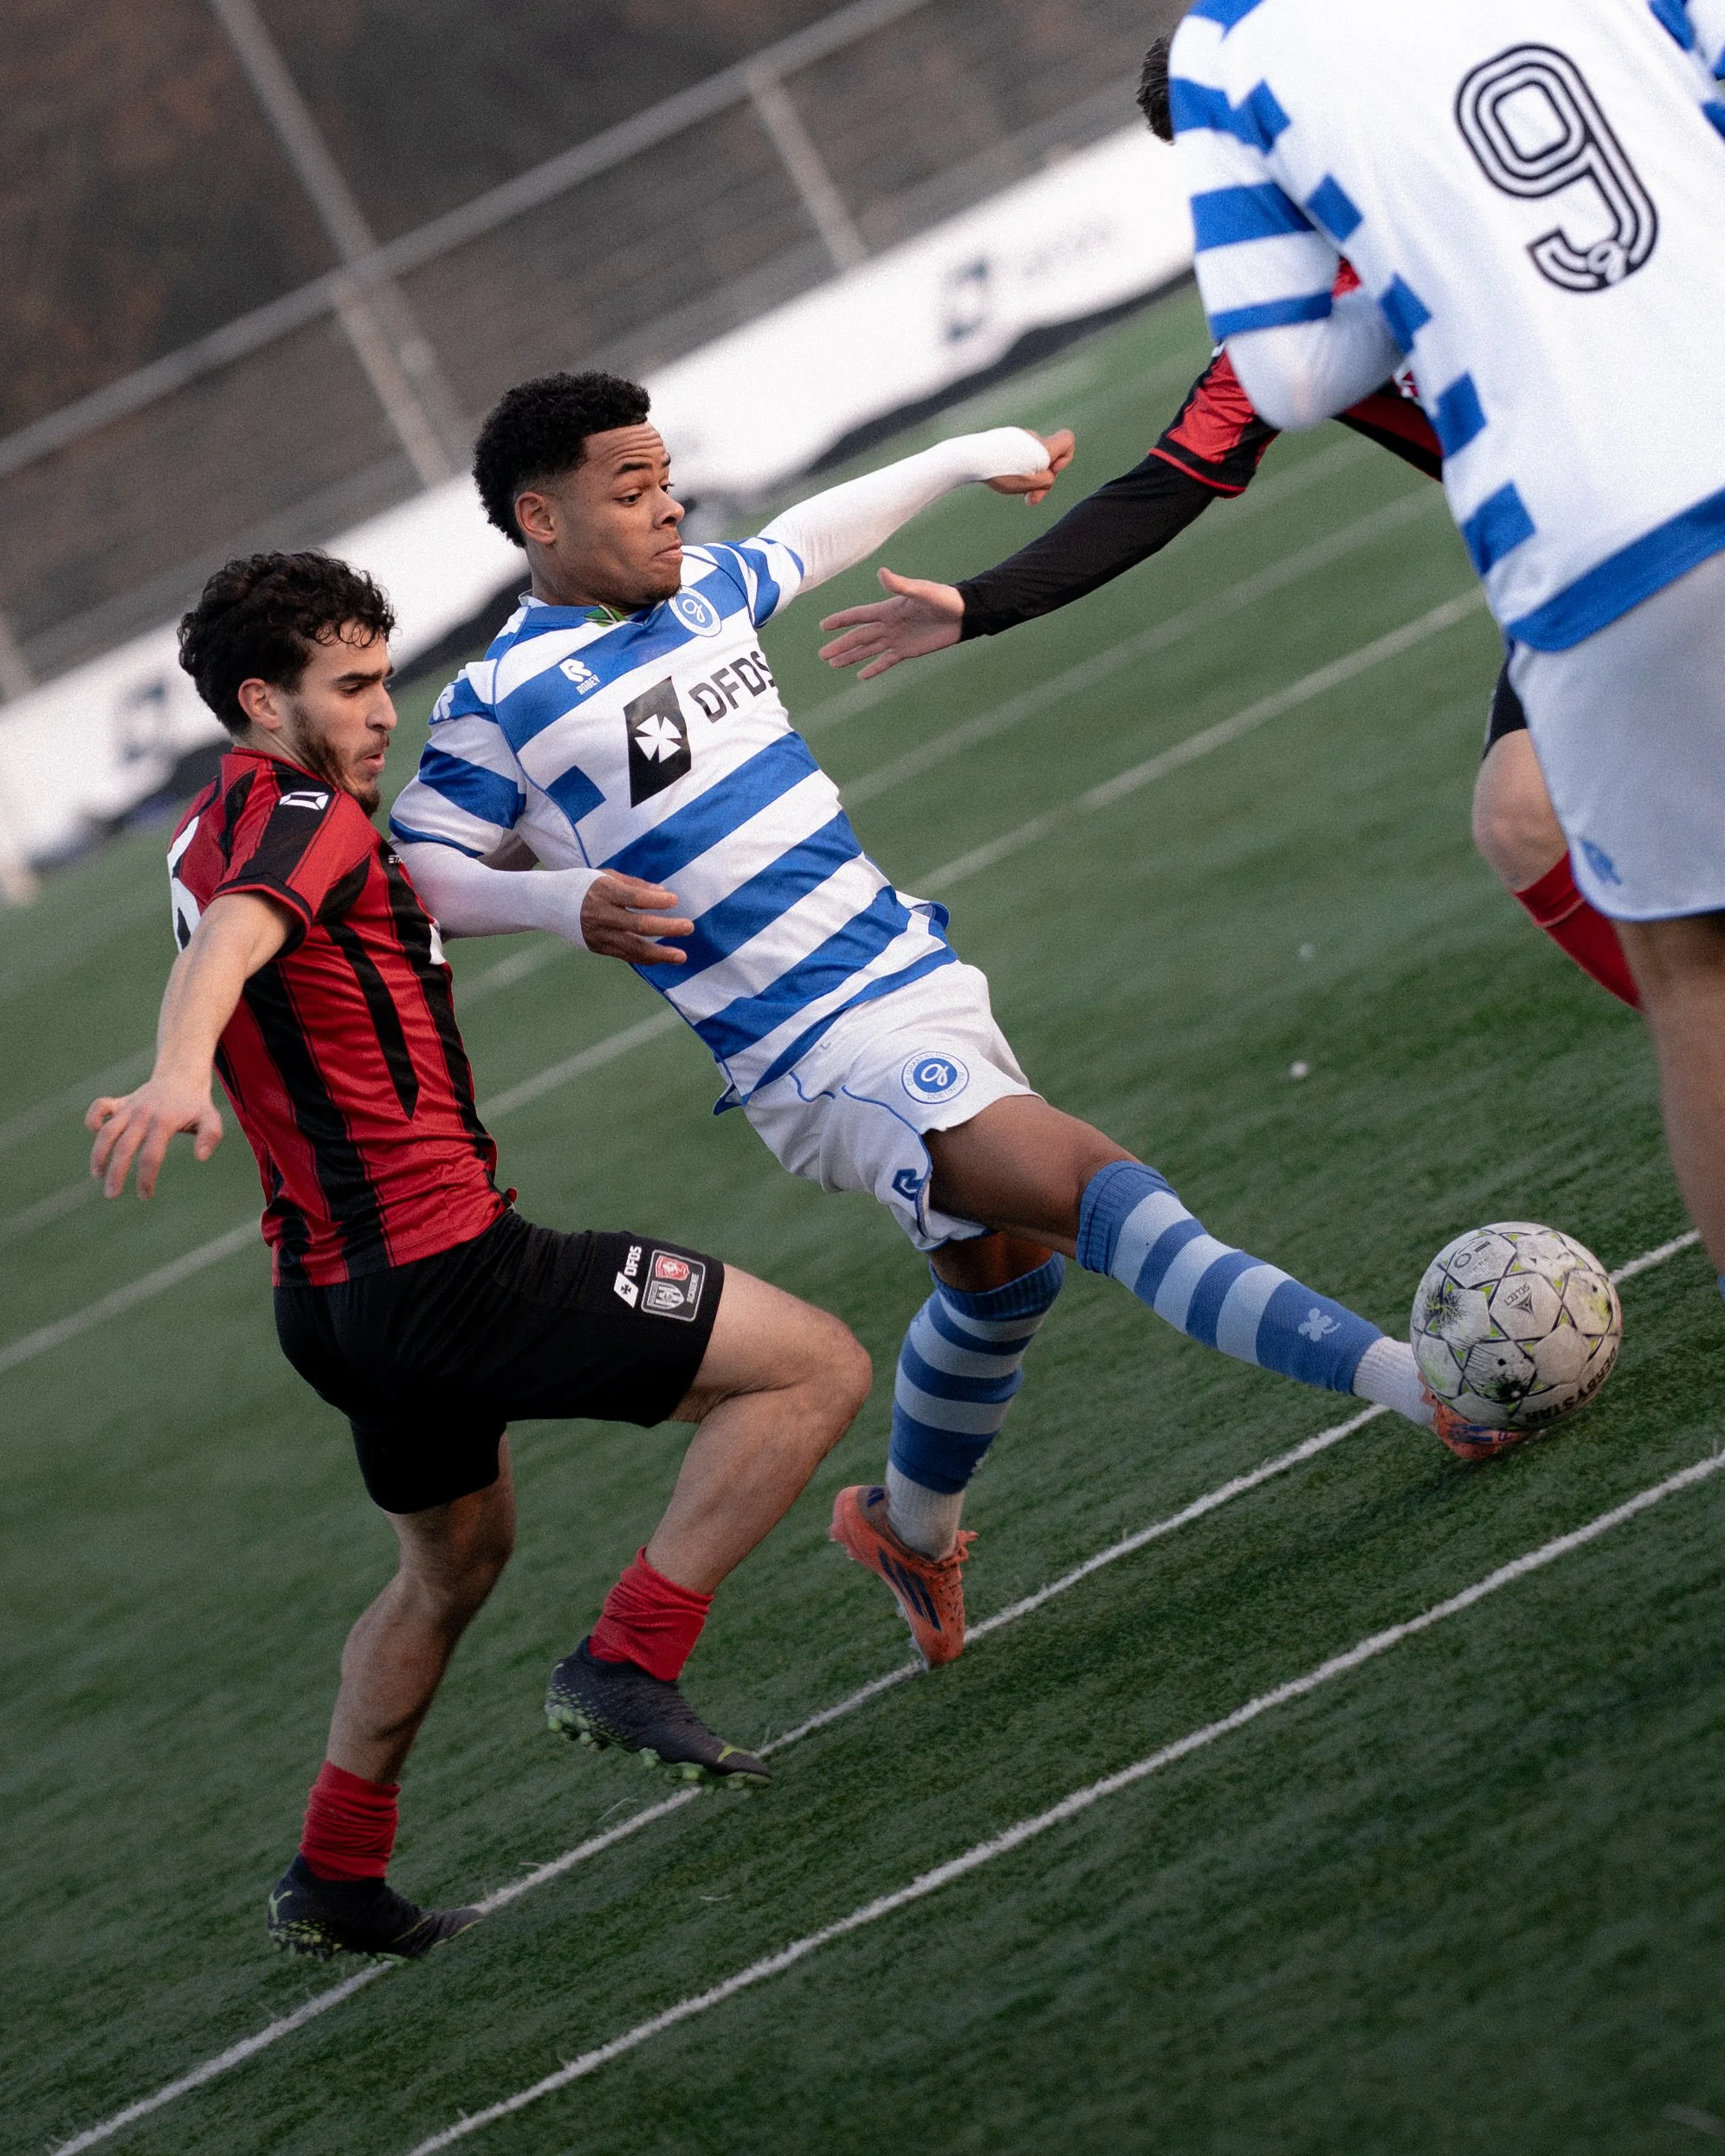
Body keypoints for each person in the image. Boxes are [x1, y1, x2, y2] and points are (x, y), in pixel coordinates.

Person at [390, 371, 1496, 1688]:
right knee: (1105, 1192)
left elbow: (819, 527)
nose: (669, 506)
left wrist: (976, 449)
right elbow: (420, 872)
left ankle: (908, 1536)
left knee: (1003, 1280)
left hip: (916, 975)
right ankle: (1421, 1385)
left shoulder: (705, 591)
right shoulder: (501, 694)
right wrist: (557, 898)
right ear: (541, 519)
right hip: (818, 1055)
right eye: (631, 492)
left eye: (668, 477)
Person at [86, 552, 872, 1962]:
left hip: (330, 1306)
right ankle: (630, 1658)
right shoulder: (310, 819)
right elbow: (250, 937)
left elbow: (288, 915)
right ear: (263, 701)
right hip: (450, 1270)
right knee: (809, 1368)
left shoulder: (217, 822)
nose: (386, 710)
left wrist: (545, 872)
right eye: (355, 686)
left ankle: (335, 1873)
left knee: (452, 1568)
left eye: (388, 677)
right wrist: (176, 1074)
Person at [815, 36, 1638, 1013]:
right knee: (1523, 820)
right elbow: (1164, 484)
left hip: (1653, 506)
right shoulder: (1283, 323)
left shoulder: (1459, 162)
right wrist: (976, 603)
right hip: (1572, 561)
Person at [1166, 0, 1725, 1281]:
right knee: (1515, 812)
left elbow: (1291, 378)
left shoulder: (1230, 44)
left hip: (1593, 528)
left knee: (1697, 976)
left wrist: (1441, 287)